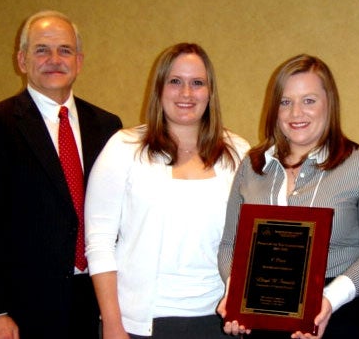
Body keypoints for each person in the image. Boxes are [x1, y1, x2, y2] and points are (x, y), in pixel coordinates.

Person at [216, 54, 359, 339]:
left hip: (339, 317)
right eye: (285, 102)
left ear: (330, 104)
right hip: (263, 316)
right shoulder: (252, 167)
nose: (295, 113)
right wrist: (236, 293)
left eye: (309, 100)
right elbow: (231, 244)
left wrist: (329, 299)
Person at [84, 43, 250, 339]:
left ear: (210, 92)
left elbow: (250, 240)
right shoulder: (124, 148)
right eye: (175, 81)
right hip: (140, 323)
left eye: (197, 83)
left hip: (218, 321)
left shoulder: (238, 152)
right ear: (159, 88)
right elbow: (99, 242)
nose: (186, 93)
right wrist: (112, 324)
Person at [0, 10, 122, 339]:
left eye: (64, 50)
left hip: (95, 299)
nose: (54, 59)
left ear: (78, 61)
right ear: (22, 60)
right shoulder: (0, 123)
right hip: (22, 309)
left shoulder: (108, 127)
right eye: (42, 49)